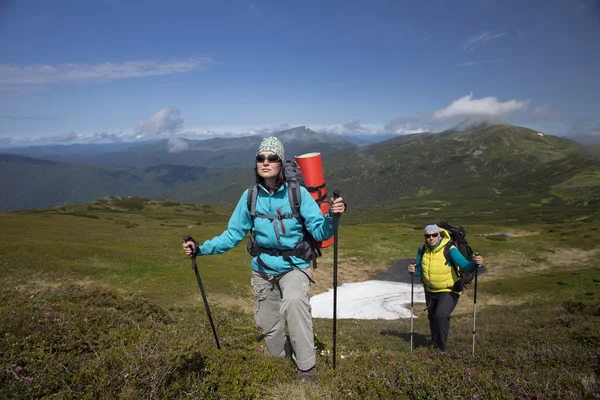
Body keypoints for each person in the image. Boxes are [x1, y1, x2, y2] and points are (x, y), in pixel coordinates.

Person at [183, 136, 345, 381]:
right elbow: (232, 235)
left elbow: (320, 231)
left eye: (272, 158)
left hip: (294, 266)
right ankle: (278, 365)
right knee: (270, 325)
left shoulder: (297, 194)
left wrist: (333, 218)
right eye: (261, 158)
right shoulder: (249, 197)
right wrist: (201, 248)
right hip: (262, 269)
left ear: (280, 163)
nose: (266, 162)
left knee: (293, 302)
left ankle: (306, 367)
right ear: (256, 163)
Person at [408, 224, 483, 353]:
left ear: (439, 235)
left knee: (441, 316)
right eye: (428, 236)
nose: (431, 238)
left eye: (434, 235)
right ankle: (435, 342)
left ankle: (441, 349)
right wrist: (412, 271)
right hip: (430, 291)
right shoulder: (423, 250)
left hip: (449, 290)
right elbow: (419, 272)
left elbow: (465, 266)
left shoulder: (450, 249)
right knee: (432, 317)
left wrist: (476, 264)